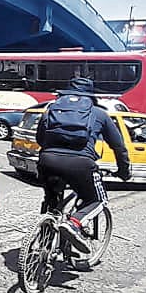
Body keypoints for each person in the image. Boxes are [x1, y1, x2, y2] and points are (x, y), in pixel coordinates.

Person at [36, 76, 131, 253]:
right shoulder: (99, 114)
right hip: (80, 164)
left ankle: (44, 239)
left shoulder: (51, 110)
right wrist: (124, 171)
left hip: (47, 161)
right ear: (90, 96)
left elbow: (40, 139)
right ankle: (75, 223)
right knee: (97, 200)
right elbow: (119, 147)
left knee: (52, 199)